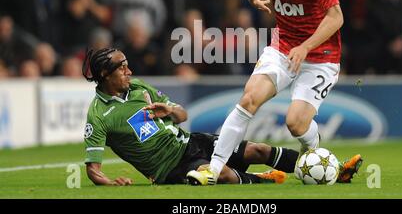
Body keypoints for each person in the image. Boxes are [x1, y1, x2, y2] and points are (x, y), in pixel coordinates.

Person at [187, 0, 362, 185]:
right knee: (249, 99)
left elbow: (336, 17)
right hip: (281, 49)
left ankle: (323, 159)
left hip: (320, 57)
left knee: (296, 124)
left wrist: (305, 46)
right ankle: (213, 168)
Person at [82, 47, 301, 185]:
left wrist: (170, 111)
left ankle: (313, 165)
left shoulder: (138, 87)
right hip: (169, 168)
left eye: (128, 66)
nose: (129, 72)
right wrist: (111, 182)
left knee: (258, 150)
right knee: (221, 173)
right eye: (122, 69)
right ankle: (263, 180)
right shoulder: (99, 115)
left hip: (191, 142)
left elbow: (182, 115)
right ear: (104, 74)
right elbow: (93, 170)